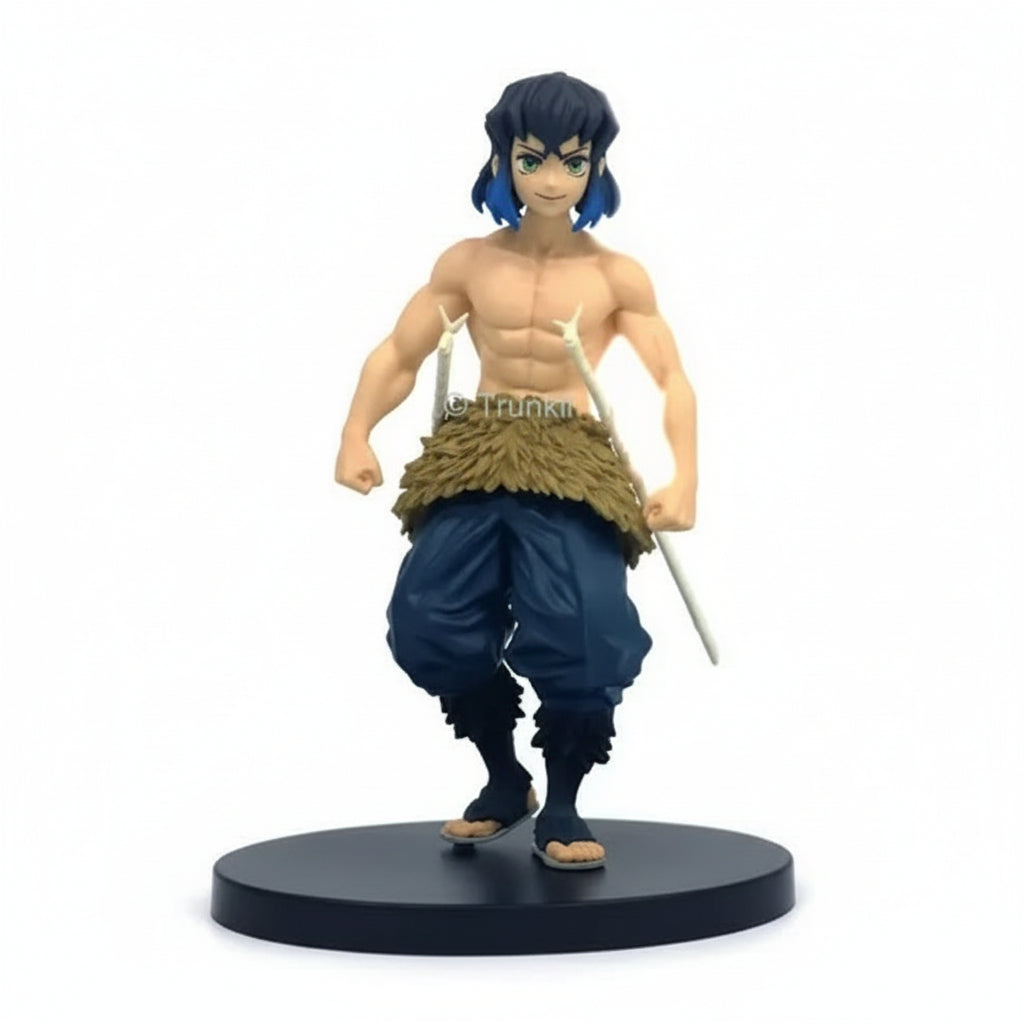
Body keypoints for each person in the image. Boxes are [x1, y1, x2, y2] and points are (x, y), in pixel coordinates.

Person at [334, 72, 697, 869]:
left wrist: (685, 479)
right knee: (428, 622)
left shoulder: (616, 276)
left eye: (573, 161)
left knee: (586, 631)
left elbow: (672, 377)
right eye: (532, 159)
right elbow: (400, 353)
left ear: (597, 165)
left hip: (571, 458)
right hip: (478, 448)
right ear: (502, 158)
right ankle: (505, 776)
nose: (552, 180)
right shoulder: (468, 263)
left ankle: (563, 800)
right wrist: (357, 432)